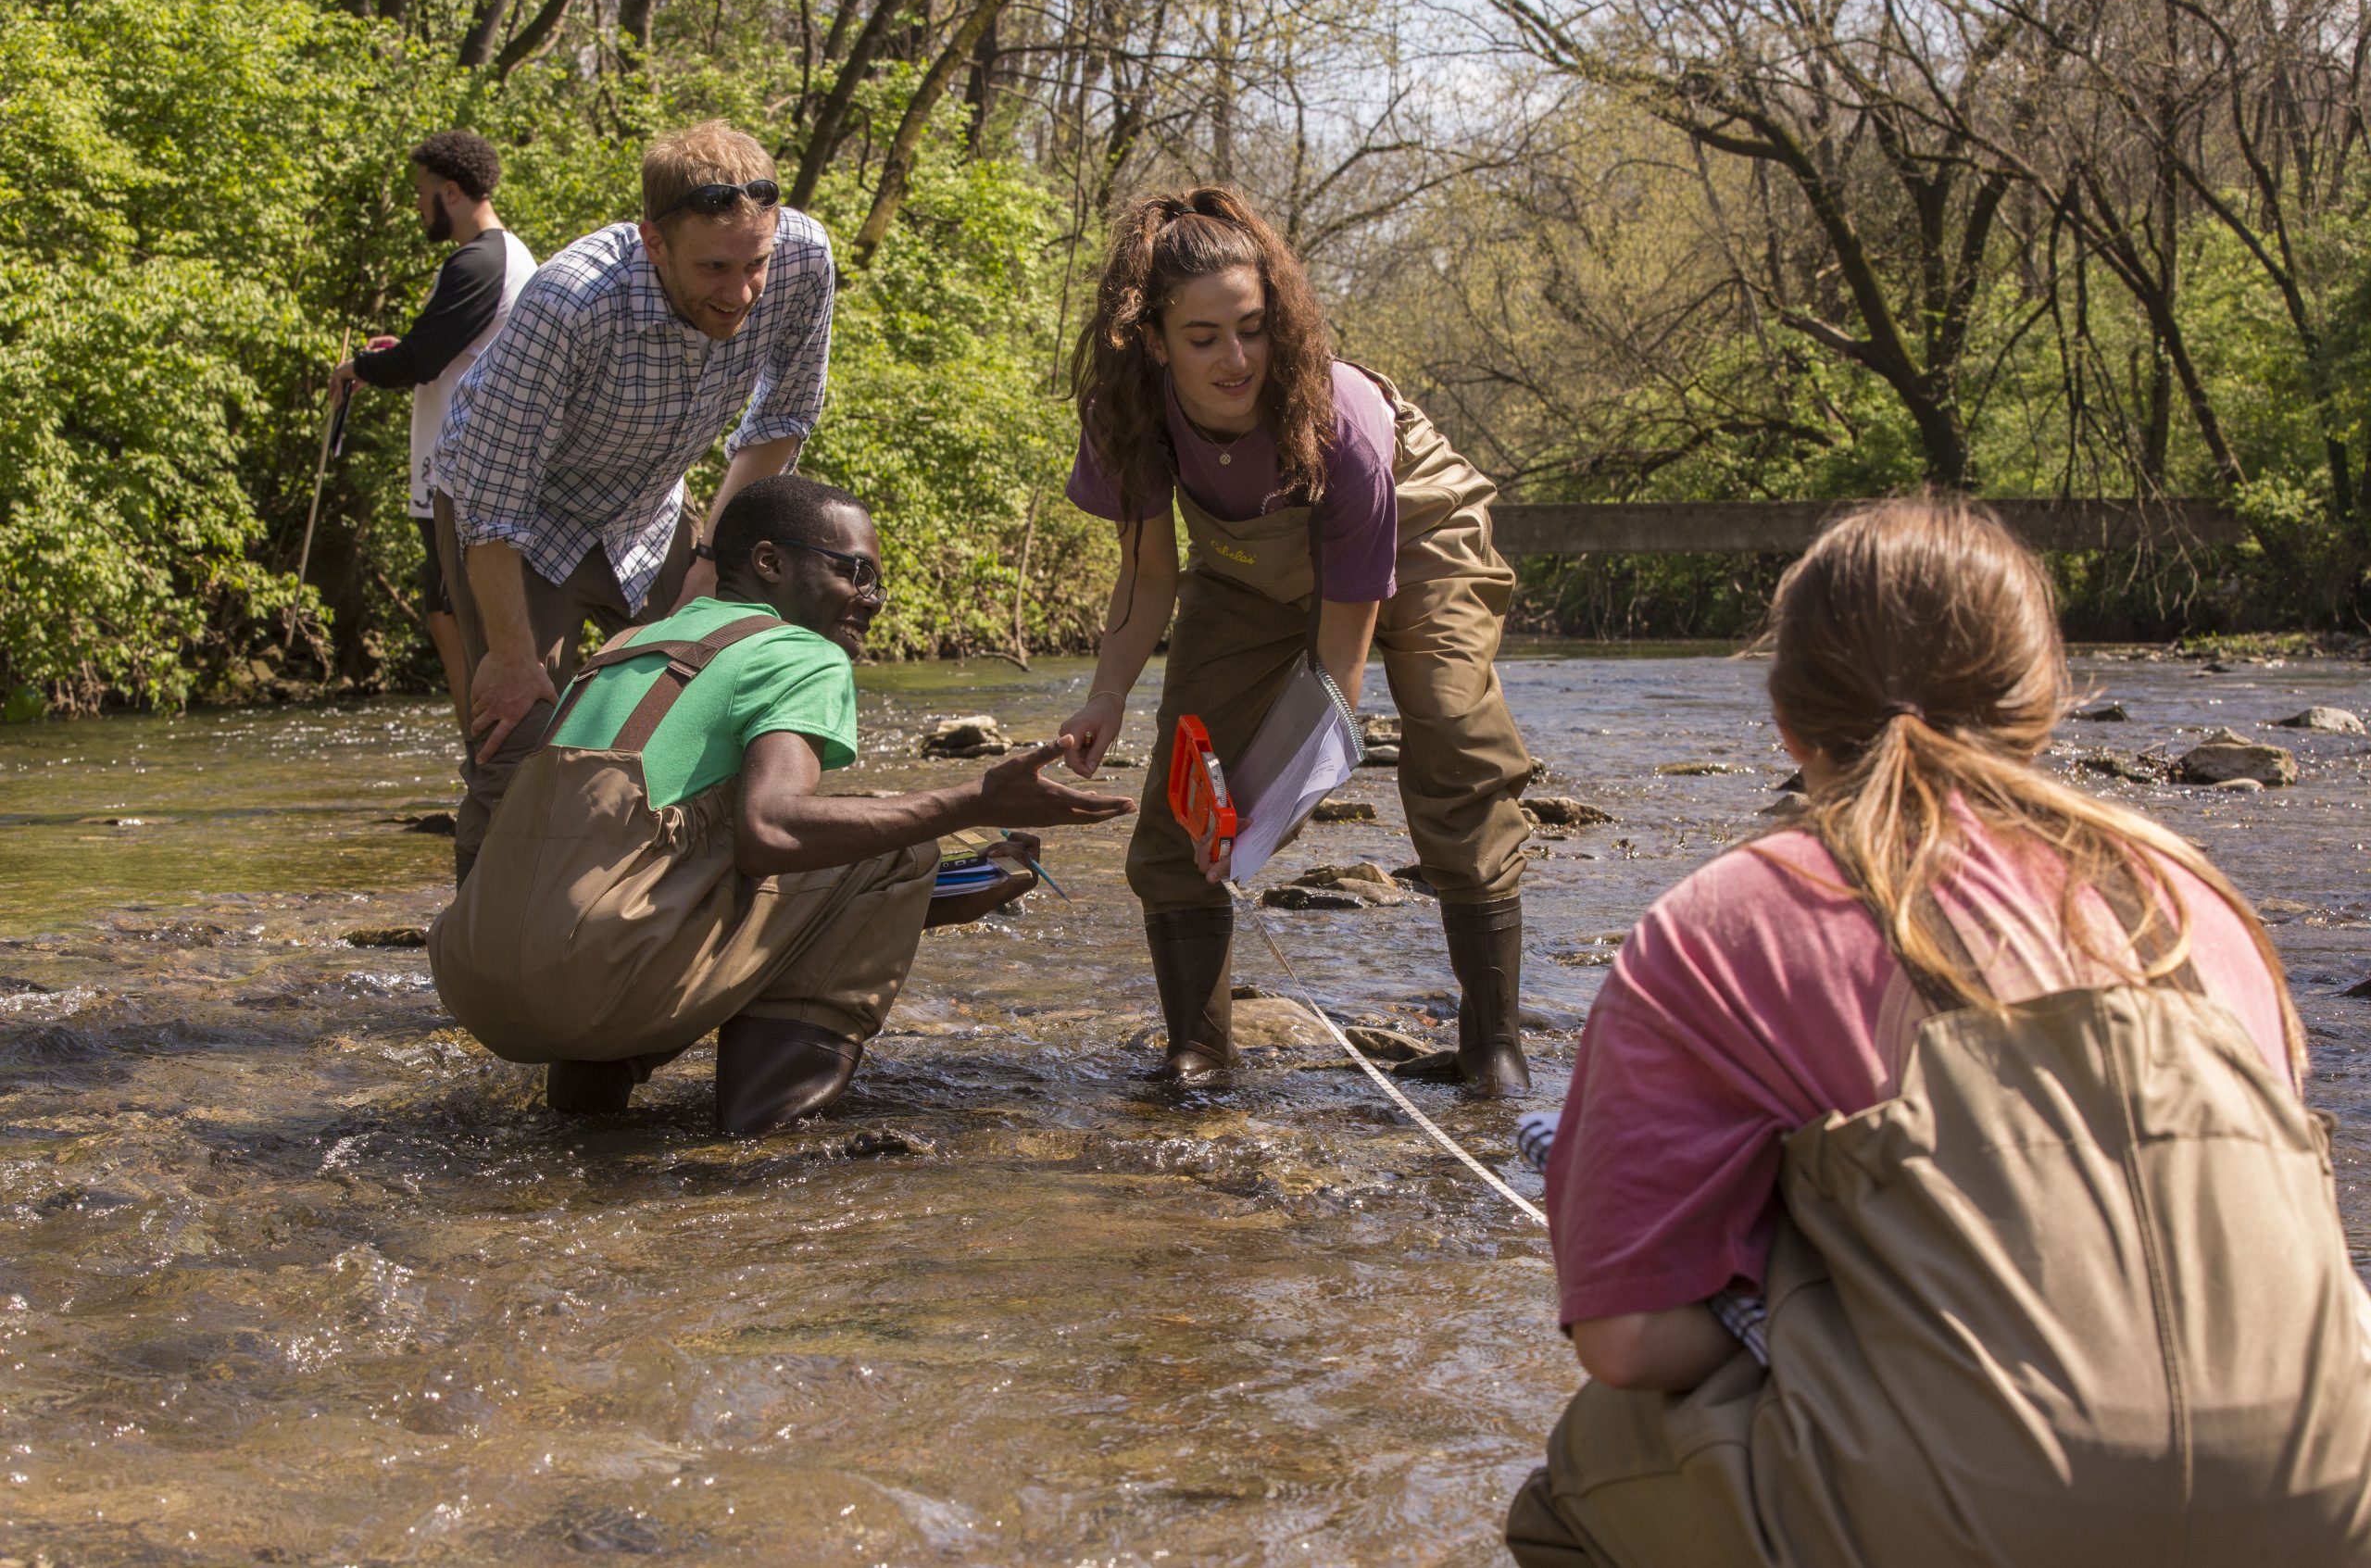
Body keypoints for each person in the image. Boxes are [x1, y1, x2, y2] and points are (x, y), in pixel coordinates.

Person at [1507, 499, 2371, 1566]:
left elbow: (1628, 1342)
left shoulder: (1728, 919)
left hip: (1991, 1511)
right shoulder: (2192, 898)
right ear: (2044, 700)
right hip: (2330, 1478)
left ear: (1784, 717)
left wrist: (1793, 1297)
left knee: (1584, 1480)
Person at [428, 475, 1135, 1132]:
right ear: (769, 562)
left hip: (478, 979)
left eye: (878, 582)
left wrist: (964, 882)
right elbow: (772, 831)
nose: (871, 599)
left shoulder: (627, 644)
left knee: (659, 885)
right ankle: (769, 1130)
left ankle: (585, 1112)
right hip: (600, 977)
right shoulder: (799, 650)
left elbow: (635, 857)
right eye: (855, 572)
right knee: (899, 844)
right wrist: (975, 799)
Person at [1055, 186, 1536, 1096]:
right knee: (1189, 776)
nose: (1236, 359)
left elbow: (1334, 681)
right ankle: (1200, 1052)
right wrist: (1107, 694)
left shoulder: (1337, 418)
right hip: (1247, 567)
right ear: (1153, 339)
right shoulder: (1127, 412)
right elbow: (1150, 574)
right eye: (1204, 338)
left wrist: (1267, 819)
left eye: (1253, 328)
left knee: (1453, 736)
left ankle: (1494, 1049)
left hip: (1416, 534)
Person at [430, 119, 834, 884]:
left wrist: (711, 557)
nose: (741, 293)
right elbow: (491, 498)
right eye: (714, 268)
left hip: (651, 507)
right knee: (519, 740)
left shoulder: (803, 259)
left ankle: (660, 922)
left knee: (710, 704)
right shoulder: (572, 300)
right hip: (519, 520)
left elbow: (782, 420)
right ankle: (489, 943)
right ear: (654, 243)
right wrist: (511, 655)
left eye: (755, 263)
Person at [330, 130, 538, 732]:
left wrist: (359, 367)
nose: (417, 205)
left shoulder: (480, 261)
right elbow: (448, 349)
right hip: (464, 472)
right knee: (447, 610)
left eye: (422, 192)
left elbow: (421, 361)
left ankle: (488, 757)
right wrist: (394, 353)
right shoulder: (502, 257)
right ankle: (489, 757)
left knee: (455, 616)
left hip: (460, 474)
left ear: (451, 192)